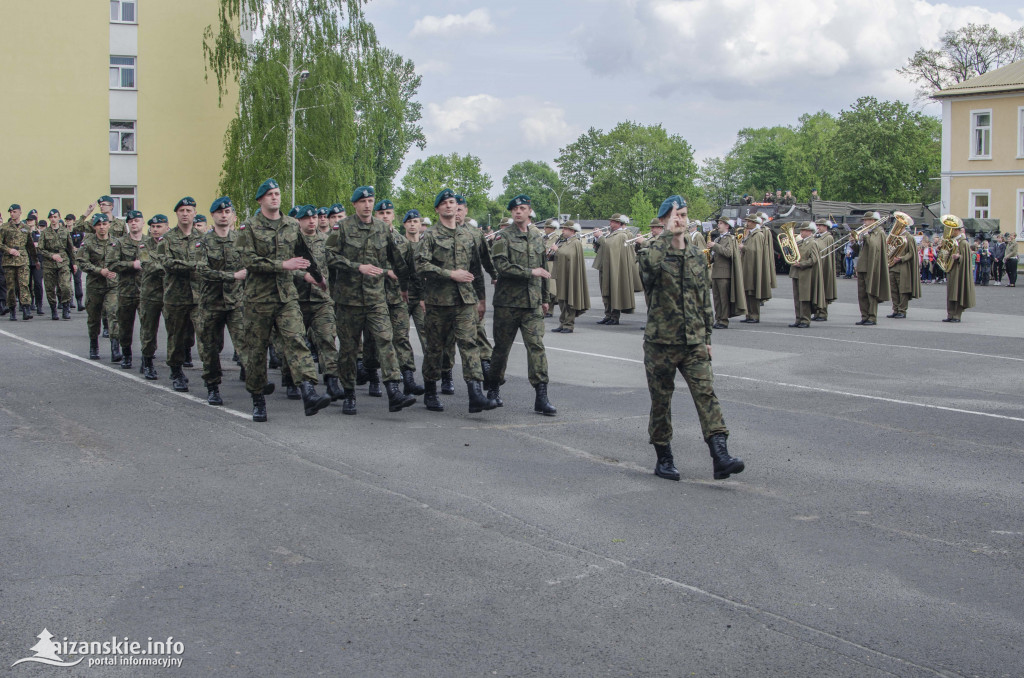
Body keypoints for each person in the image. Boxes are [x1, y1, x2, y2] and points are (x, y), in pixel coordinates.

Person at [638, 194, 743, 482]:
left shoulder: (697, 254)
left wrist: (707, 336)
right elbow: (649, 270)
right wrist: (666, 235)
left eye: (683, 214)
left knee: (706, 395)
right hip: (661, 343)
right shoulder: (650, 252)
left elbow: (703, 300)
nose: (680, 220)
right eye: (674, 215)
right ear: (662, 221)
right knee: (661, 401)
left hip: (694, 341)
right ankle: (664, 458)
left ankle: (720, 455)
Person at [237, 178, 331, 421]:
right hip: (258, 299)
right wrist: (282, 264)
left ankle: (309, 392)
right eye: (269, 194)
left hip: (287, 297)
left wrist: (318, 278)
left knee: (296, 340)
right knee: (256, 351)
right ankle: (258, 399)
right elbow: (249, 261)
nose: (275, 197)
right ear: (260, 200)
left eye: (277, 193)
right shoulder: (250, 226)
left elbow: (304, 253)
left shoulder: (291, 224)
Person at [325, 186, 415, 415]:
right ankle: (349, 394)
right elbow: (328, 256)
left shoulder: (383, 229)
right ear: (354, 204)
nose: (367, 205)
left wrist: (402, 282)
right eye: (363, 201)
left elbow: (397, 259)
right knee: (349, 348)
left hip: (376, 298)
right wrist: (357, 267)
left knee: (386, 339)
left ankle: (394, 390)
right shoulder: (342, 227)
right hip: (349, 300)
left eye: (370, 200)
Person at [415, 188, 497, 413]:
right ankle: (431, 391)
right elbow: (420, 265)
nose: (449, 206)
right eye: (444, 203)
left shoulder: (469, 235)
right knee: (436, 348)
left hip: (465, 300)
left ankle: (475, 394)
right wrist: (449, 274)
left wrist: (481, 299)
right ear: (438, 209)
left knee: (469, 345)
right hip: (438, 302)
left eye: (452, 202)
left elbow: (476, 271)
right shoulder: (430, 235)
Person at [486, 195, 555, 415]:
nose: (518, 212)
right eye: (514, 209)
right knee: (501, 349)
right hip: (508, 303)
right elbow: (501, 267)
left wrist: (545, 299)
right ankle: (494, 388)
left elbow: (543, 269)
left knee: (536, 348)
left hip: (532, 304)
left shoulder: (537, 237)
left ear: (529, 211)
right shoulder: (502, 237)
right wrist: (528, 272)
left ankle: (541, 396)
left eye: (522, 208)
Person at [195, 197, 250, 406]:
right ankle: (212, 386)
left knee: (245, 343)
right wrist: (232, 276)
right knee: (210, 348)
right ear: (213, 216)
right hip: (211, 304)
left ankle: (255, 384)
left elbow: (250, 265)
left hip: (236, 303)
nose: (224, 215)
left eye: (228, 212)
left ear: (233, 216)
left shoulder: (241, 240)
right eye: (220, 212)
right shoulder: (204, 242)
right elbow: (202, 270)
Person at [290, 205, 344, 403]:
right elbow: (285, 267)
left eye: (315, 217)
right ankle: (291, 380)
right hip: (296, 299)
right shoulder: (292, 242)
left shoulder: (327, 241)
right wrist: (303, 275)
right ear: (299, 221)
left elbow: (335, 265)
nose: (312, 221)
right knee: (295, 342)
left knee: (327, 340)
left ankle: (332, 383)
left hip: (322, 300)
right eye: (307, 218)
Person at [375, 198, 424, 398]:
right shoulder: (369, 238)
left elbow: (412, 272)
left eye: (388, 213)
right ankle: (371, 377)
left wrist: (419, 296)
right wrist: (386, 271)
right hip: (373, 297)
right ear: (376, 216)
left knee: (401, 338)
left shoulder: (402, 242)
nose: (385, 216)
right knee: (375, 341)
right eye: (381, 213)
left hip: (397, 297)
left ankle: (408, 378)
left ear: (393, 216)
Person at [156, 197, 204, 392]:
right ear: (176, 213)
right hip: (175, 297)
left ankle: (211, 374)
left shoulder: (203, 238)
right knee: (176, 337)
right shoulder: (167, 239)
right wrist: (193, 266)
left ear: (194, 213)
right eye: (182, 210)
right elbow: (166, 263)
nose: (185, 213)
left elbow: (208, 263)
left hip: (199, 297)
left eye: (189, 210)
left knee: (204, 335)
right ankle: (176, 371)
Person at [106, 210, 147, 369]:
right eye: (131, 221)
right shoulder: (120, 243)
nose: (134, 223)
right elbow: (112, 264)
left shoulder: (150, 242)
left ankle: (146, 358)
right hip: (126, 291)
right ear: (128, 224)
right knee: (125, 325)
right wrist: (132, 265)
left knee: (147, 326)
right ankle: (127, 355)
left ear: (143, 223)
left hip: (146, 291)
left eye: (137, 220)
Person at [76, 213, 119, 359]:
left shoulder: (116, 242)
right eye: (99, 224)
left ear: (109, 225)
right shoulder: (88, 243)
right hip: (95, 285)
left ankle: (115, 348)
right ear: (94, 226)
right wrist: (99, 271)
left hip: (113, 286)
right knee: (93, 317)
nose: (102, 227)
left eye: (104, 224)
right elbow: (81, 262)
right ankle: (93, 345)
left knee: (113, 313)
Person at [592, 213, 641, 325]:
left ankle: (614, 316)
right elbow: (603, 247)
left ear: (618, 223)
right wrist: (597, 239)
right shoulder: (612, 234)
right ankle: (608, 314)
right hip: (605, 266)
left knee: (613, 291)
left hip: (614, 268)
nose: (610, 223)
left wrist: (600, 236)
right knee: (605, 291)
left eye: (612, 222)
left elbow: (609, 246)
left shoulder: (621, 235)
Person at [138, 214, 169, 380]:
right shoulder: (144, 245)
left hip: (171, 294)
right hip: (150, 294)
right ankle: (148, 361)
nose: (155, 230)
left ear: (167, 227)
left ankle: (175, 365)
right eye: (153, 227)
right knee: (148, 330)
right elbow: (147, 265)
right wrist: (172, 265)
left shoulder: (172, 242)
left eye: (159, 226)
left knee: (174, 330)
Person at [549, 220, 590, 334]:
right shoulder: (564, 241)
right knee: (561, 300)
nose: (563, 230)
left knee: (569, 299)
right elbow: (562, 255)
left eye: (565, 229)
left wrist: (558, 250)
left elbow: (569, 255)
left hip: (570, 275)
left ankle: (569, 324)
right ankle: (562, 323)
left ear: (571, 231)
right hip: (561, 274)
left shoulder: (575, 242)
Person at [37, 208, 75, 320]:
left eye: (55, 217)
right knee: (49, 288)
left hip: (63, 262)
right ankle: (53, 309)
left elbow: (70, 248)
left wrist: (74, 263)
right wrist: (51, 255)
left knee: (66, 286)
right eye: (51, 217)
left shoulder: (65, 231)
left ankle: (65, 307)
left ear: (59, 218)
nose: (53, 219)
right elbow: (40, 249)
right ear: (49, 219)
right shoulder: (45, 233)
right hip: (49, 263)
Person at [854, 212, 890, 326]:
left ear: (873, 221)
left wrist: (865, 235)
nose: (864, 223)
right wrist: (854, 242)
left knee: (871, 293)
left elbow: (874, 246)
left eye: (867, 220)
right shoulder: (868, 232)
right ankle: (864, 316)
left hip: (872, 266)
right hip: (863, 266)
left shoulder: (879, 232)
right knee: (862, 294)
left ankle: (872, 317)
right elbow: (860, 250)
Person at [2, 204, 37, 320]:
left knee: (24, 285)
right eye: (10, 212)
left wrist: (35, 260)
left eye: (14, 212)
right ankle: (12, 309)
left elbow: (30, 245)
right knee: (11, 287)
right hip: (9, 261)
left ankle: (26, 308)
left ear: (20, 212)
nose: (12, 214)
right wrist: (9, 250)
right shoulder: (5, 227)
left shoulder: (26, 228)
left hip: (23, 260)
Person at [738, 214, 775, 323]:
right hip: (748, 265)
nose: (747, 223)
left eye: (749, 221)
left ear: (754, 222)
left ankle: (754, 315)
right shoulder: (750, 234)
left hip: (753, 267)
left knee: (753, 292)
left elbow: (756, 251)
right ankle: (749, 314)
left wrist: (743, 247)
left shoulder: (758, 235)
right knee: (748, 292)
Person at [709, 217, 745, 328]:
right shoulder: (717, 239)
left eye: (720, 223)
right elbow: (714, 256)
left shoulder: (730, 238)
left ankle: (724, 320)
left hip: (724, 273)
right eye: (718, 223)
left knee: (723, 298)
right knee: (716, 298)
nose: (718, 225)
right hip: (715, 272)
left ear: (727, 226)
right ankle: (718, 318)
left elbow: (729, 253)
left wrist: (715, 246)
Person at [788, 222, 823, 328]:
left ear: (809, 231)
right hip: (797, 273)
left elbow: (814, 259)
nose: (801, 232)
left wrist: (801, 264)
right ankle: (798, 318)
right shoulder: (801, 242)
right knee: (797, 298)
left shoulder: (813, 243)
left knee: (805, 298)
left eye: (803, 230)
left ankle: (805, 320)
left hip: (806, 274)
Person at [942, 215, 976, 322]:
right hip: (951, 270)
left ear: (957, 230)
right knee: (950, 293)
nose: (949, 231)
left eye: (951, 229)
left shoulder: (963, 242)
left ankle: (957, 315)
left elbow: (966, 258)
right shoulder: (950, 241)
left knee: (957, 293)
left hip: (959, 271)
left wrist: (959, 257)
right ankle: (950, 314)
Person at [886, 220, 921, 318]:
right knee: (894, 290)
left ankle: (902, 310)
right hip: (892, 266)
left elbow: (911, 253)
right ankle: (895, 309)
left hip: (903, 267)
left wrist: (901, 258)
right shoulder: (894, 237)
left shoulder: (909, 237)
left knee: (903, 290)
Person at [810, 219, 837, 320]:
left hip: (824, 266)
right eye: (817, 225)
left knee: (824, 289)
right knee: (817, 290)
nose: (818, 227)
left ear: (825, 227)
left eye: (820, 225)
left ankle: (823, 313)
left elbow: (823, 250)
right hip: (817, 265)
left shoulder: (828, 237)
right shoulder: (817, 236)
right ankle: (817, 312)